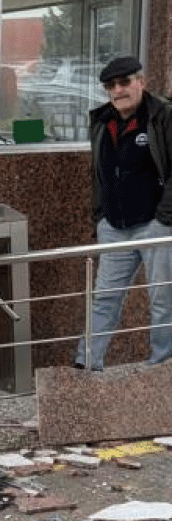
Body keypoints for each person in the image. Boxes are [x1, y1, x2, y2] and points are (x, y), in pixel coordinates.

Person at [74, 56, 172, 370]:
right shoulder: (103, 121)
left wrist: (165, 217)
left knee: (163, 299)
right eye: (111, 85)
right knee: (104, 297)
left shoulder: (162, 116)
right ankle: (86, 365)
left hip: (156, 225)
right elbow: (99, 173)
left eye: (125, 82)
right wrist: (100, 216)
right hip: (114, 226)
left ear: (141, 82)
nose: (118, 90)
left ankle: (163, 367)